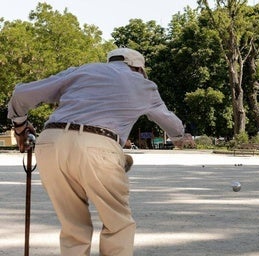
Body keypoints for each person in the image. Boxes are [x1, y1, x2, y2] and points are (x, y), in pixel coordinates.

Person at [7, 48, 186, 256]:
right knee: (118, 224)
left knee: (73, 227)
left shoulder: (84, 71)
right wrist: (181, 137)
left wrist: (20, 126)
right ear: (138, 68)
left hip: (51, 143)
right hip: (98, 145)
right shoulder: (143, 84)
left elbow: (21, 94)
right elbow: (169, 122)